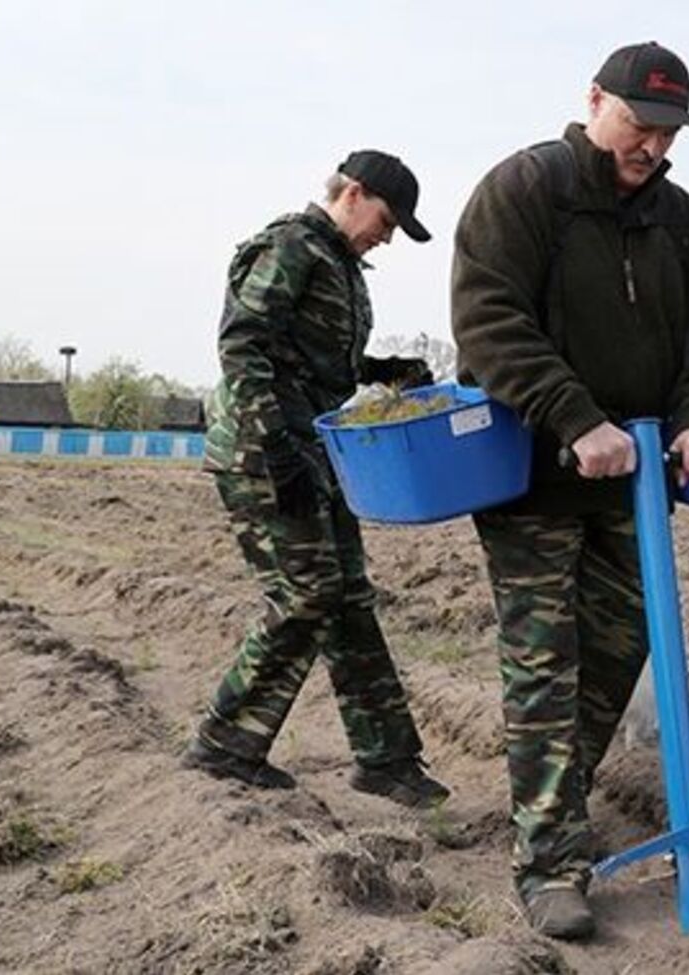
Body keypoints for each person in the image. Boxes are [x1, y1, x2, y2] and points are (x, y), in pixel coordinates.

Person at [451, 42, 689, 940]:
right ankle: (549, 864)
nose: (651, 147)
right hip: (535, 480)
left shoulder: (682, 223)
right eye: (638, 124)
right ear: (594, 101)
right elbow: (488, 320)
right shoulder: (526, 190)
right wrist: (574, 418)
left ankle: (551, 803)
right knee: (546, 665)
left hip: (634, 489)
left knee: (617, 656)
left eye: (667, 134)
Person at [184, 151, 450, 809]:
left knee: (349, 597)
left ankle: (387, 758)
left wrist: (381, 368)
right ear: (354, 193)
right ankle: (224, 743)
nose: (386, 237)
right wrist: (275, 446)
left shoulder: (339, 265)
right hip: (264, 454)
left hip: (314, 452)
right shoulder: (291, 246)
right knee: (306, 595)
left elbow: (318, 356)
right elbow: (244, 344)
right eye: (386, 221)